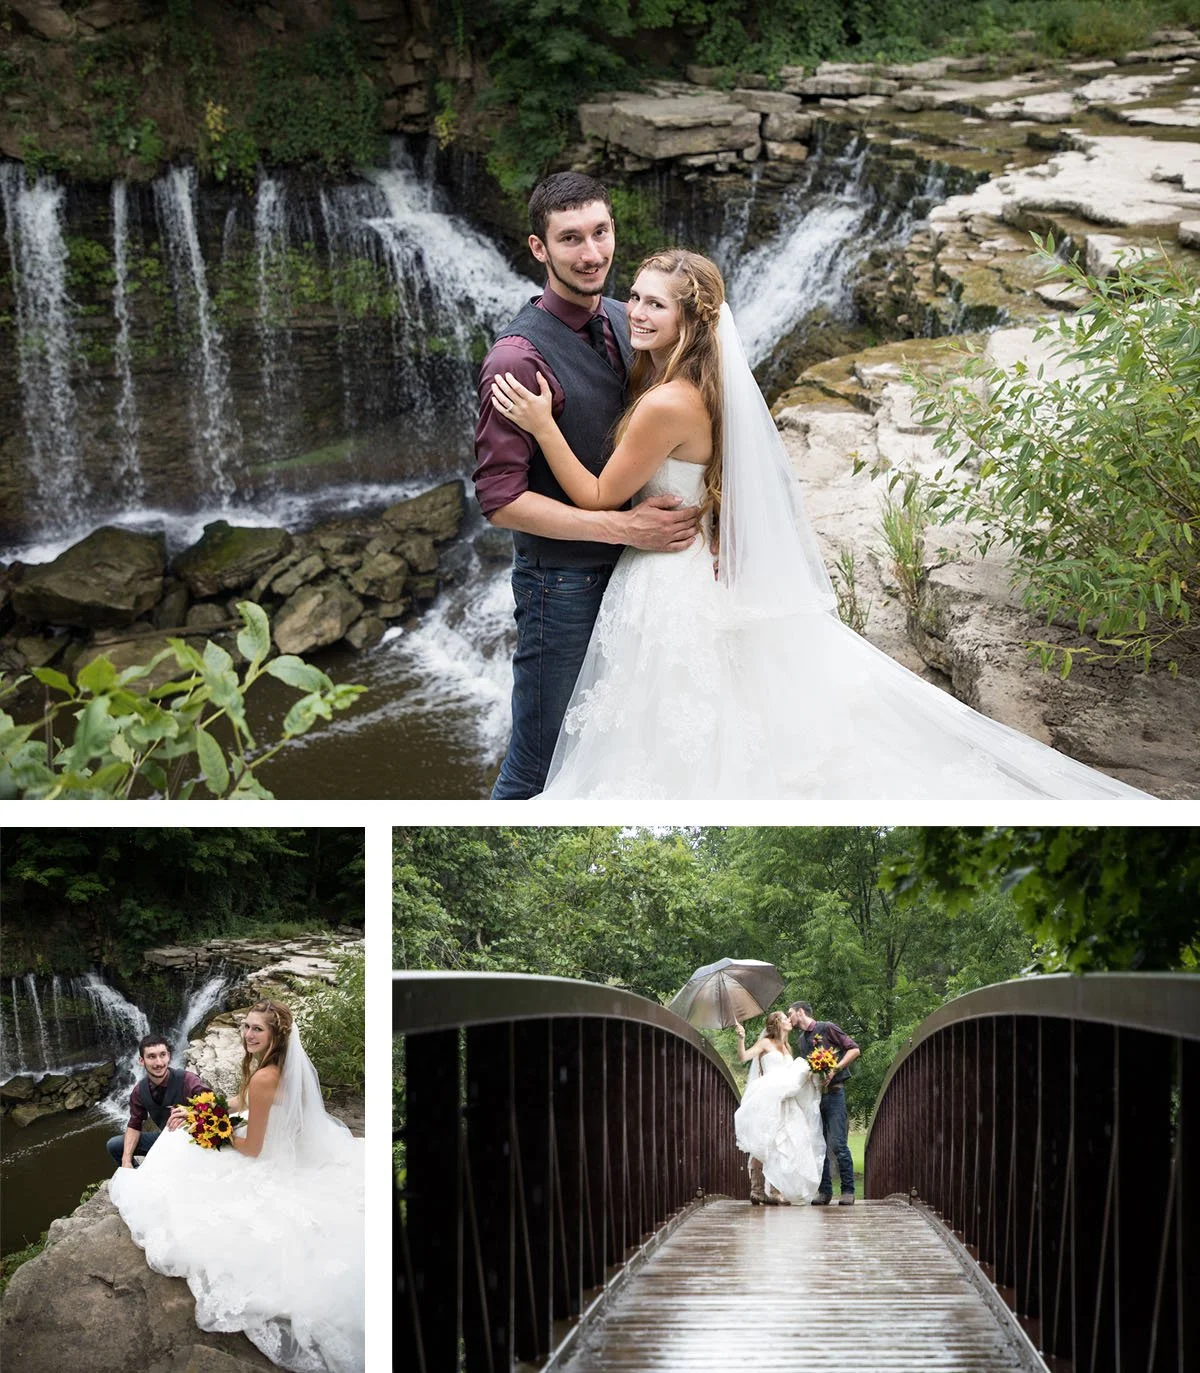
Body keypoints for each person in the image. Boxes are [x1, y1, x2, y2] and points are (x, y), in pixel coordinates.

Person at [490, 248, 1154, 799]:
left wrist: (544, 426)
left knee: (667, 731)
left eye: (654, 303)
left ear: (691, 319)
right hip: (693, 559)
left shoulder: (666, 400)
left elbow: (601, 493)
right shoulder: (705, 380)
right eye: (633, 296)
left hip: (665, 577)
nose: (633, 310)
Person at [473, 172, 701, 799]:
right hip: (562, 588)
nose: (592, 252)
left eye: (600, 232)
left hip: (642, 583)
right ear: (539, 248)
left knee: (607, 750)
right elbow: (500, 500)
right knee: (538, 763)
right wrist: (622, 526)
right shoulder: (517, 361)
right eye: (570, 238)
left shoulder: (629, 321)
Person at [109, 1001, 364, 1373]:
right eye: (245, 1027)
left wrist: (214, 1135)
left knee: (183, 1152)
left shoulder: (265, 1076)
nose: (247, 1035)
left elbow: (253, 1148)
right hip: (284, 1144)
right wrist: (201, 1112)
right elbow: (242, 1102)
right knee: (180, 1140)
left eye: (257, 1029)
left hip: (267, 1157)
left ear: (275, 1035)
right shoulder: (272, 1067)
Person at [732, 1010, 825, 1205]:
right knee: (765, 1140)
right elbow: (743, 1057)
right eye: (784, 1018)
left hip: (786, 1100)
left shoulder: (788, 1047)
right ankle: (757, 1190)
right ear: (777, 1023)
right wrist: (741, 1038)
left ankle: (774, 1190)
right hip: (767, 1098)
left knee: (784, 1142)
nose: (788, 1021)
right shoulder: (766, 1043)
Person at [788, 1001, 860, 1206]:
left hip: (835, 1094)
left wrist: (835, 1068)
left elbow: (854, 1049)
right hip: (815, 1099)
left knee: (838, 1143)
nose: (789, 1018)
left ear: (801, 1012)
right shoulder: (801, 1041)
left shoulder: (826, 1027)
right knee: (818, 1145)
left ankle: (848, 1190)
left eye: (790, 1013)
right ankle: (825, 1191)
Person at [105, 1032, 209, 1169]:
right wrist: (126, 1160)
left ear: (169, 1056)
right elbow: (134, 1125)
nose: (159, 1063)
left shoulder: (187, 1079)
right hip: (166, 1140)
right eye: (151, 1057)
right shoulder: (138, 1091)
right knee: (114, 1145)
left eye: (162, 1055)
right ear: (141, 1061)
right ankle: (136, 1176)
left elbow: (213, 1105)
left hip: (196, 1140)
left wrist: (192, 1113)